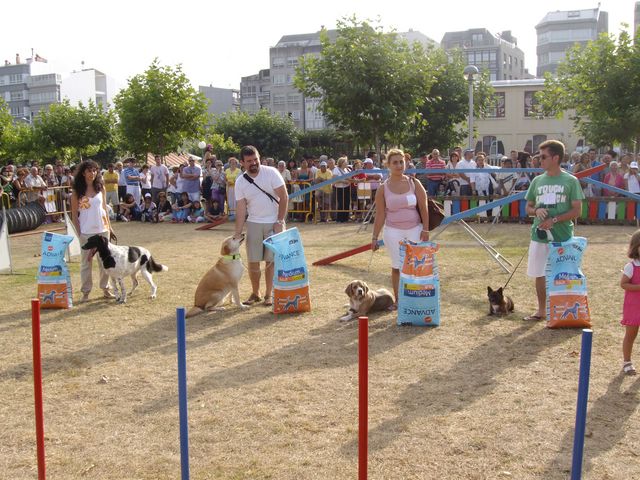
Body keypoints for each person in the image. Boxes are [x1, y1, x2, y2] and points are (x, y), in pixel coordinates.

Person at [524, 140, 584, 321]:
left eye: (543, 157)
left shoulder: (571, 181)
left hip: (563, 235)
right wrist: (536, 211)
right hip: (539, 234)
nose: (539, 160)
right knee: (539, 272)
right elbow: (528, 207)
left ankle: (563, 310)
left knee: (564, 273)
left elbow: (577, 210)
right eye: (538, 156)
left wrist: (554, 220)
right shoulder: (537, 180)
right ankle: (541, 310)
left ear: (556, 158)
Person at [371, 148, 429, 308]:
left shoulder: (414, 182)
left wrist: (426, 229)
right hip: (393, 232)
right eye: (395, 162)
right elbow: (380, 215)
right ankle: (398, 300)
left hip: (415, 229)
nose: (398, 165)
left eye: (401, 161)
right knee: (397, 266)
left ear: (406, 162)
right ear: (388, 165)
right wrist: (374, 237)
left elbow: (424, 208)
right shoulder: (383, 188)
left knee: (416, 266)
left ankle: (417, 297)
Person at [233, 145, 288, 306]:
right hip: (254, 223)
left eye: (255, 159)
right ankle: (255, 293)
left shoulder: (271, 173)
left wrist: (279, 221)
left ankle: (268, 295)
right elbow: (241, 208)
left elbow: (284, 197)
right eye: (249, 161)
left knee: (271, 261)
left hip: (274, 223)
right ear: (242, 162)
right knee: (253, 261)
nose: (254, 163)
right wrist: (237, 232)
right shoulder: (240, 181)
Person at [70, 160, 115, 302]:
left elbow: (104, 210)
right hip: (86, 232)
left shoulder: (101, 188)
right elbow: (74, 216)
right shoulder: (77, 192)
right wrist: (79, 233)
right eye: (89, 170)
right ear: (83, 173)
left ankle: (106, 288)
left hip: (102, 229)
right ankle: (85, 292)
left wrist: (110, 227)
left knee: (104, 261)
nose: (92, 173)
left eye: (95, 170)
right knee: (86, 263)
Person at [620, 230, 640, 375]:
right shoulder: (631, 266)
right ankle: (627, 361)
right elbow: (624, 284)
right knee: (630, 335)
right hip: (634, 307)